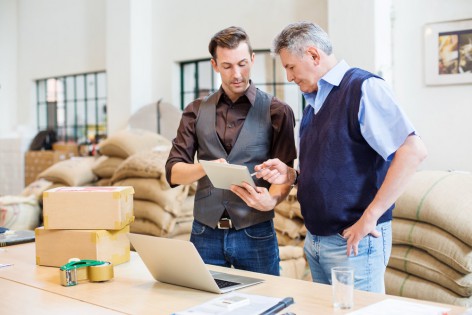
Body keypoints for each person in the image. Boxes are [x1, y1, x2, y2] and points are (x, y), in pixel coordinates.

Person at [245, 21, 427, 292]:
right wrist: (291, 175)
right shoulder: (313, 102)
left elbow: (413, 152)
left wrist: (369, 218)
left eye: (290, 66)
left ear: (314, 55)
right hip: (317, 241)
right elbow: (336, 166)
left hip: (353, 242)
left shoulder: (364, 88)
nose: (288, 77)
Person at [165, 26, 297, 276]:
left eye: (242, 64)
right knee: (204, 307)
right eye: (227, 66)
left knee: (266, 304)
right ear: (215, 65)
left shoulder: (278, 111)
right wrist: (206, 167)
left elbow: (286, 174)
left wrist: (272, 200)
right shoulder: (194, 111)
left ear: (253, 60)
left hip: (255, 232)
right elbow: (173, 173)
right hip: (205, 233)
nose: (237, 74)